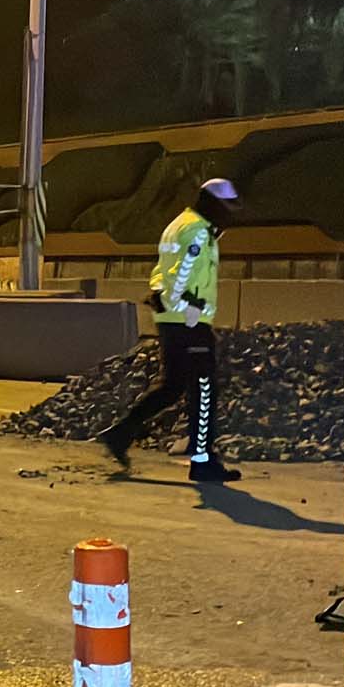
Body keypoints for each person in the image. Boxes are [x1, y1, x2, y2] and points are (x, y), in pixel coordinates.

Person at [97, 178, 244, 484]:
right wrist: (191, 305)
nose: (230, 215)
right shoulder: (197, 231)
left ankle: (121, 433)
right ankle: (202, 462)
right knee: (204, 391)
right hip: (188, 321)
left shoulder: (177, 225)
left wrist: (163, 299)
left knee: (173, 386)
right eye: (227, 208)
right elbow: (181, 274)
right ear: (211, 203)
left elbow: (161, 271)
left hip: (171, 319)